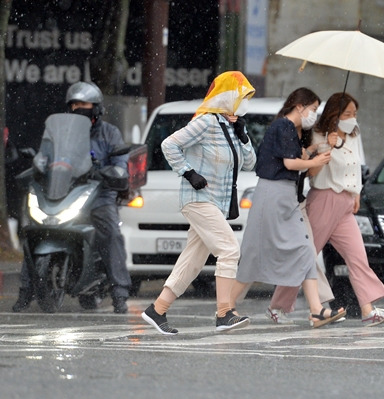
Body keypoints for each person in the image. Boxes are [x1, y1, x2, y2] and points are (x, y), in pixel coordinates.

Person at [141, 71, 257, 334]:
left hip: (216, 202)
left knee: (192, 260)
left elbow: (250, 163)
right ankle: (224, 313)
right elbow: (169, 144)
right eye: (242, 96)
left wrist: (244, 137)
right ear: (228, 97)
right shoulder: (205, 122)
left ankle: (157, 310)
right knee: (229, 249)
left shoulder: (234, 126)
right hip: (198, 199)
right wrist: (188, 172)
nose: (245, 102)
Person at [270, 92, 384, 326]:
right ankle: (278, 305)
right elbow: (311, 173)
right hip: (324, 200)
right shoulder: (319, 134)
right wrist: (324, 149)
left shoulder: (354, 135)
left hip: (346, 203)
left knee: (357, 257)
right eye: (347, 113)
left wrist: (356, 192)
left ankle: (368, 309)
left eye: (354, 114)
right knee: (305, 256)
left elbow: (358, 164)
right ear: (334, 115)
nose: (352, 118)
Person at [229, 87, 346, 328]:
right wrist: (314, 161)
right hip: (272, 194)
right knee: (254, 255)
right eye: (313, 109)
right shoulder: (283, 126)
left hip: (287, 196)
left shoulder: (292, 129)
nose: (313, 114)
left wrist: (316, 150)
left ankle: (316, 310)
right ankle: (226, 307)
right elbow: (291, 162)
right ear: (300, 106)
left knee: (304, 249)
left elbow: (298, 154)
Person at [12, 81, 132, 314]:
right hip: (63, 191)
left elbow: (120, 164)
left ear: (96, 107)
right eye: (74, 104)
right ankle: (25, 292)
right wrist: (40, 162)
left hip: (99, 193)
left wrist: (115, 172)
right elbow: (47, 153)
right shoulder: (62, 132)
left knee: (110, 232)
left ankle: (120, 292)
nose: (79, 107)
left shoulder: (110, 133)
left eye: (84, 103)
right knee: (36, 230)